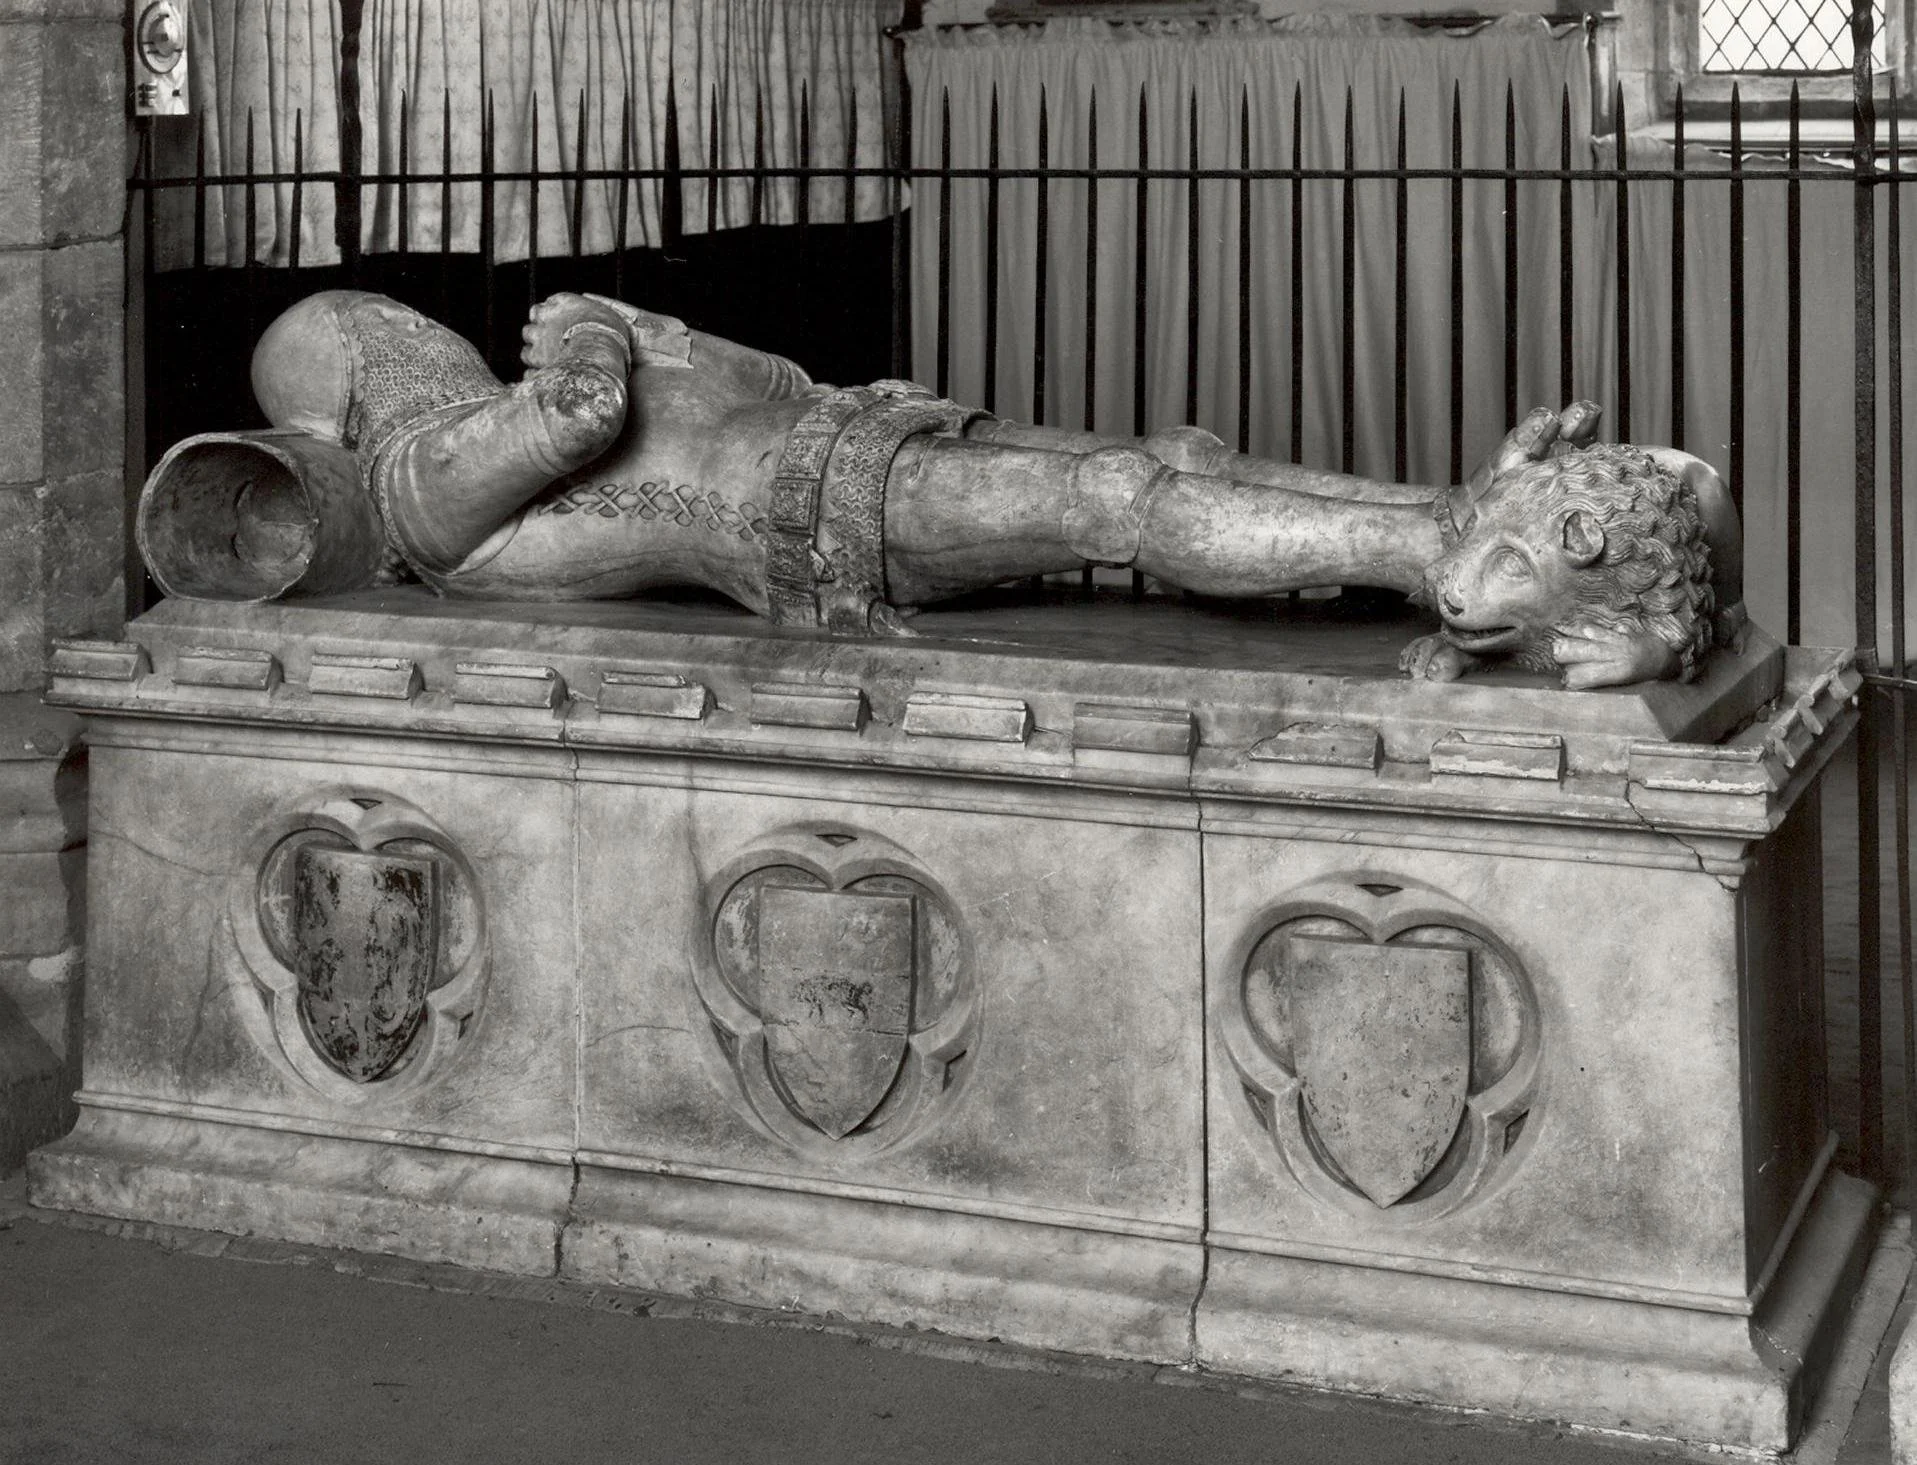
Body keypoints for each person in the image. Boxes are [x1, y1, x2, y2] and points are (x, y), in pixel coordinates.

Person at [235, 288, 1725, 686]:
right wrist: (597, 343)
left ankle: (1465, 535)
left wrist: (681, 354)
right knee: (1127, 501)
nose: (404, 328)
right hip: (814, 513)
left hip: (836, 450)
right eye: (379, 331)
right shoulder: (421, 491)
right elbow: (580, 416)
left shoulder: (441, 456)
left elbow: (736, 386)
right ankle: (1458, 561)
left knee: (1165, 474)